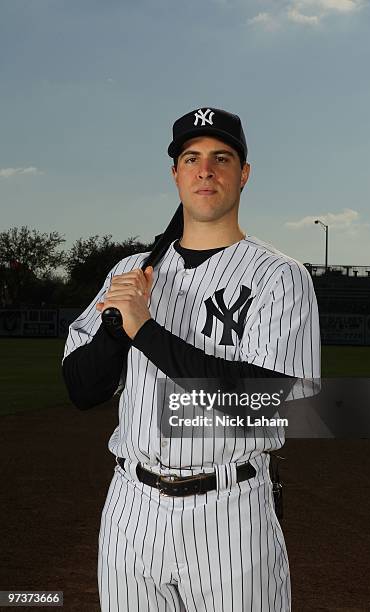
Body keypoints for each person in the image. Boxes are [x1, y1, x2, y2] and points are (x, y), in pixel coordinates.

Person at [62, 107, 321, 611]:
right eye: (191, 157)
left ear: (243, 174)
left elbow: (263, 403)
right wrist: (115, 334)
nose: (205, 170)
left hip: (229, 509)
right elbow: (81, 390)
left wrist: (145, 329)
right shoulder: (131, 272)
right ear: (176, 173)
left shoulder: (280, 277)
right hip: (130, 509)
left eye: (221, 158)